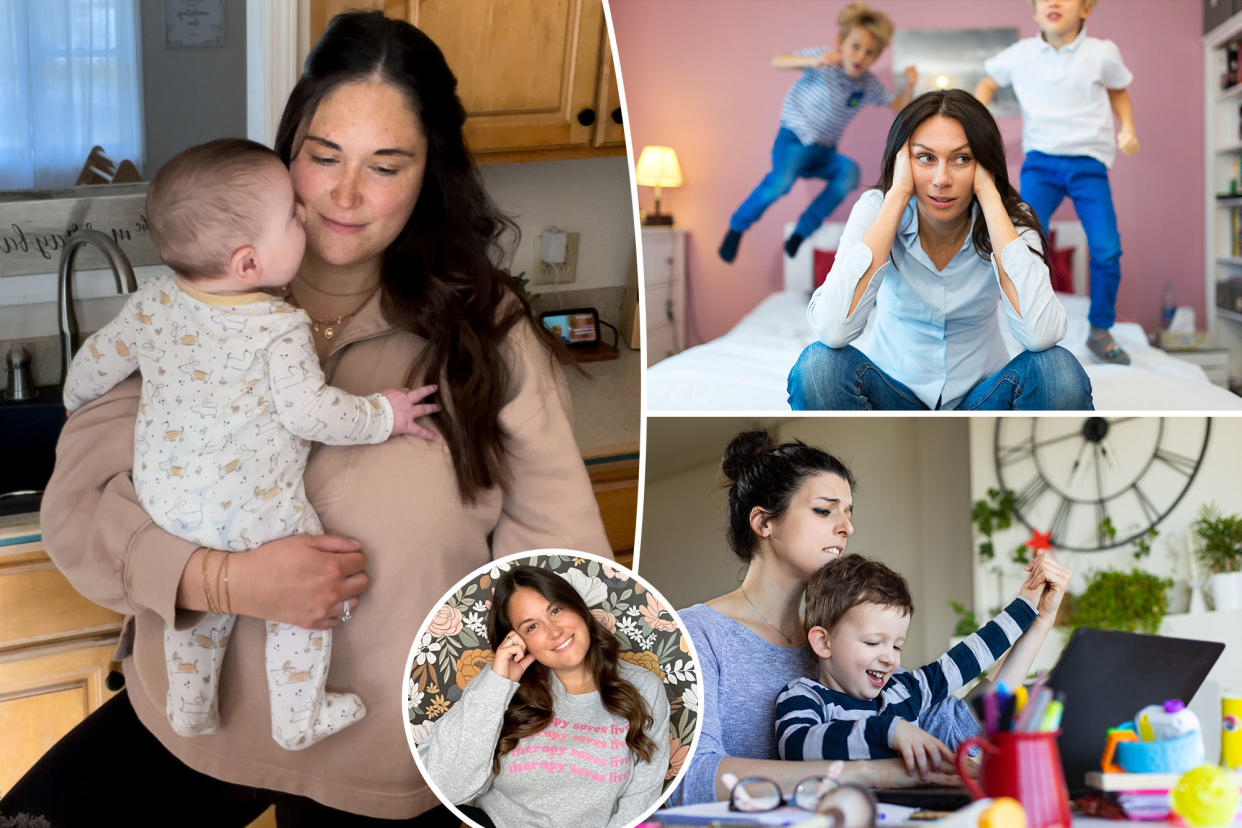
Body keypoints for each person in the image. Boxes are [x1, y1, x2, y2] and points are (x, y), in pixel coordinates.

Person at [3, 10, 609, 826]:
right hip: (193, 719)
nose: (344, 196)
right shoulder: (192, 300)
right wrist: (220, 580)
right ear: (287, 151)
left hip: (388, 759)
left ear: (430, 174)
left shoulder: (483, 328)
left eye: (385, 166)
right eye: (322, 157)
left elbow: (559, 559)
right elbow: (75, 516)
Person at [61, 138, 440, 751]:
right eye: (293, 214)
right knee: (304, 598)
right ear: (245, 264)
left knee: (195, 613)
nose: (305, 217)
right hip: (257, 510)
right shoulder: (279, 327)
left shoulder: (152, 302)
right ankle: (299, 717)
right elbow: (313, 413)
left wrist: (75, 405)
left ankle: (189, 707)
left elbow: (92, 366)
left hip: (169, 508)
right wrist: (383, 414)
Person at [673, 428, 1067, 807]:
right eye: (824, 510)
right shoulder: (693, 634)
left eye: (848, 512)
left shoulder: (848, 645)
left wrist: (1039, 621)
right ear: (764, 523)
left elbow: (959, 724)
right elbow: (687, 780)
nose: (847, 527)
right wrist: (877, 772)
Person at [787, 89, 1094, 411]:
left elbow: (1041, 335)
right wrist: (897, 194)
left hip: (982, 399)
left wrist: (991, 196)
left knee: (1057, 369)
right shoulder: (876, 208)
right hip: (891, 398)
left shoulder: (1011, 217)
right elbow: (833, 330)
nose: (941, 179)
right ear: (902, 159)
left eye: (962, 159)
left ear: (984, 163)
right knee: (818, 366)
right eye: (925, 158)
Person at [775, 554, 1069, 777]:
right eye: (873, 642)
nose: (890, 657)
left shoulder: (903, 689)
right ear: (824, 643)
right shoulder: (804, 696)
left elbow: (969, 657)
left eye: (897, 645)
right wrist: (890, 731)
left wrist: (1028, 604)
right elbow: (796, 746)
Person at [422, 564, 670, 828]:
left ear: (577, 607)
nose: (554, 632)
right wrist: (497, 685)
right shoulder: (497, 684)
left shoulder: (643, 688)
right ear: (517, 640)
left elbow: (640, 798)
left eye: (555, 610)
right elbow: (447, 789)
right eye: (532, 627)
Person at [975, 0, 1137, 365]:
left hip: (1088, 165)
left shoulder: (1102, 53)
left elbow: (1118, 89)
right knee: (1023, 245)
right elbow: (986, 82)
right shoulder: (1021, 55)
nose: (1054, 2)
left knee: (1107, 249)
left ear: (1086, 9)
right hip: (1041, 165)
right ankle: (1029, 323)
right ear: (1034, 13)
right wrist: (976, 122)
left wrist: (1127, 127)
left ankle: (1100, 330)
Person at [718, 2, 917, 263]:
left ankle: (800, 232)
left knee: (850, 173)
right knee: (780, 184)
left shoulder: (868, 84)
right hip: (793, 142)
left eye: (870, 53)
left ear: (876, 57)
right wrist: (816, 60)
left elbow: (900, 106)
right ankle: (737, 226)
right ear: (840, 43)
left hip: (824, 151)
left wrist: (910, 85)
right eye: (855, 47)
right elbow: (778, 61)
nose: (860, 57)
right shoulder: (824, 59)